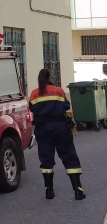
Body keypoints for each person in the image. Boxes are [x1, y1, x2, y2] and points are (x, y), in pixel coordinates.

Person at [29, 69, 86, 200]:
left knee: (46, 159)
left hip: (42, 129)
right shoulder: (59, 90)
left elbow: (32, 108)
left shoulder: (34, 93)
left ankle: (49, 191)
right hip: (60, 128)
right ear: (50, 77)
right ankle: (78, 191)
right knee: (69, 157)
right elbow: (66, 106)